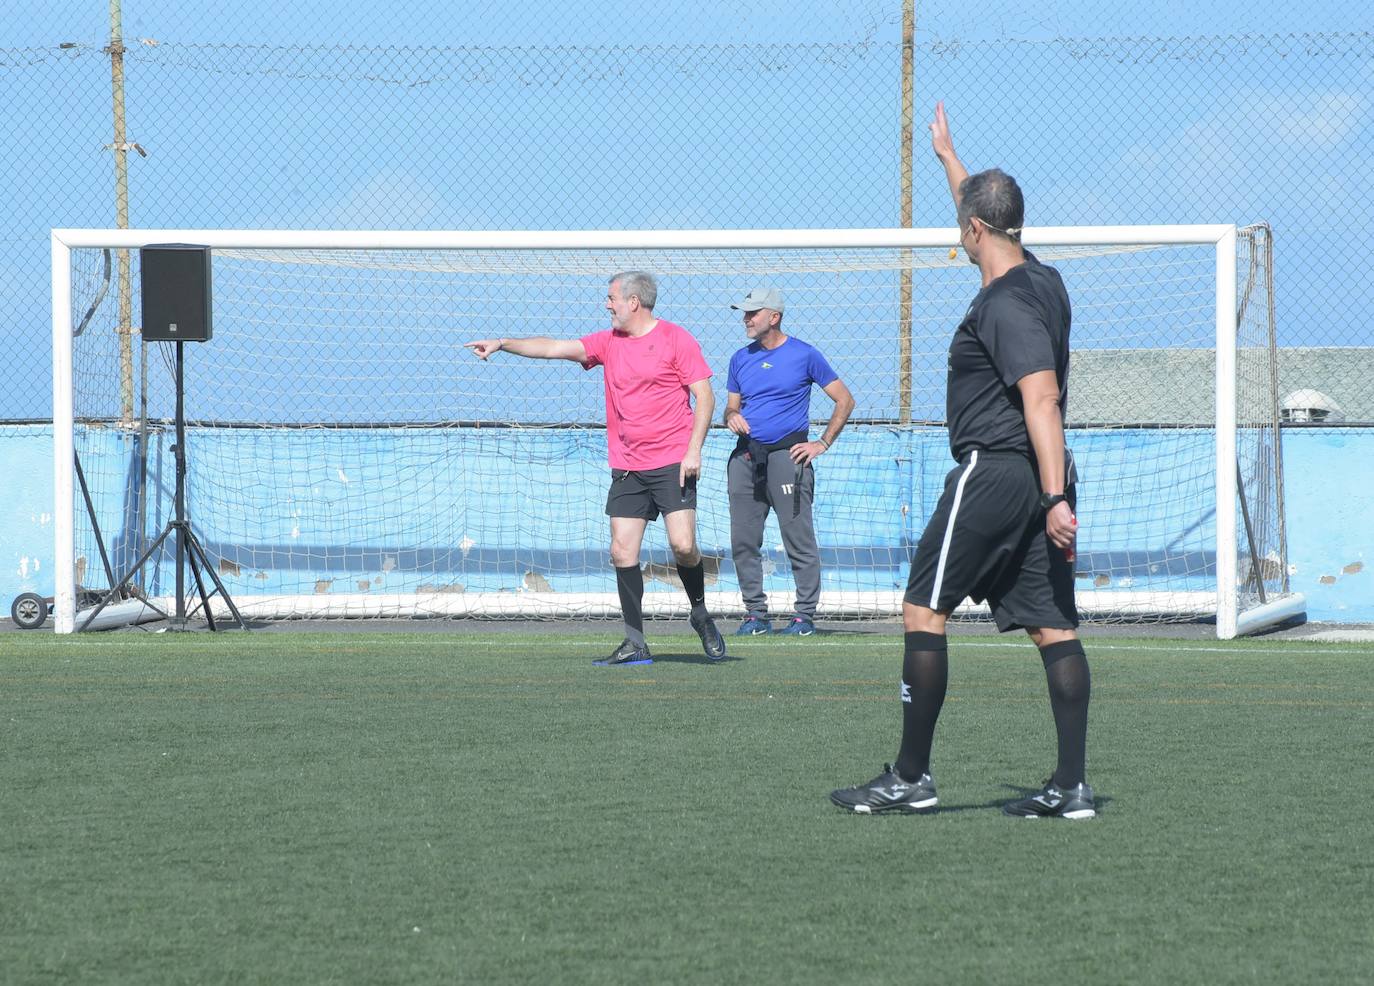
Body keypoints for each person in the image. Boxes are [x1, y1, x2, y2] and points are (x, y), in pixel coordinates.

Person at [830, 102, 1095, 819]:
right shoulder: (1042, 278)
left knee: (923, 608)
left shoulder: (1006, 305)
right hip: (1041, 476)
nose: (961, 230)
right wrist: (950, 157)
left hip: (1002, 473)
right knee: (1052, 626)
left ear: (975, 231)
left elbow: (1041, 400)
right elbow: (980, 212)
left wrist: (1052, 501)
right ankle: (1071, 788)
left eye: (963, 223)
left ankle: (911, 778)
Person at [465, 271, 727, 666]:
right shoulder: (607, 344)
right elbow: (553, 347)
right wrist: (503, 344)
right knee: (622, 551)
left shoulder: (676, 338)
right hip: (628, 466)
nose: (607, 304)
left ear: (633, 302)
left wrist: (694, 450)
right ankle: (636, 641)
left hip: (674, 458)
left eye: (611, 298)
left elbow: (704, 396)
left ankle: (700, 613)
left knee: (683, 545)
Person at [723, 287, 855, 636]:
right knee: (743, 541)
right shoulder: (739, 358)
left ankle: (804, 616)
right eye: (745, 312)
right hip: (745, 458)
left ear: (774, 317)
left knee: (798, 539)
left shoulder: (805, 355)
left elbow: (845, 400)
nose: (746, 319)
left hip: (788, 458)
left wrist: (822, 443)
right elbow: (730, 406)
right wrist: (731, 415)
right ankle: (755, 615)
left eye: (753, 313)